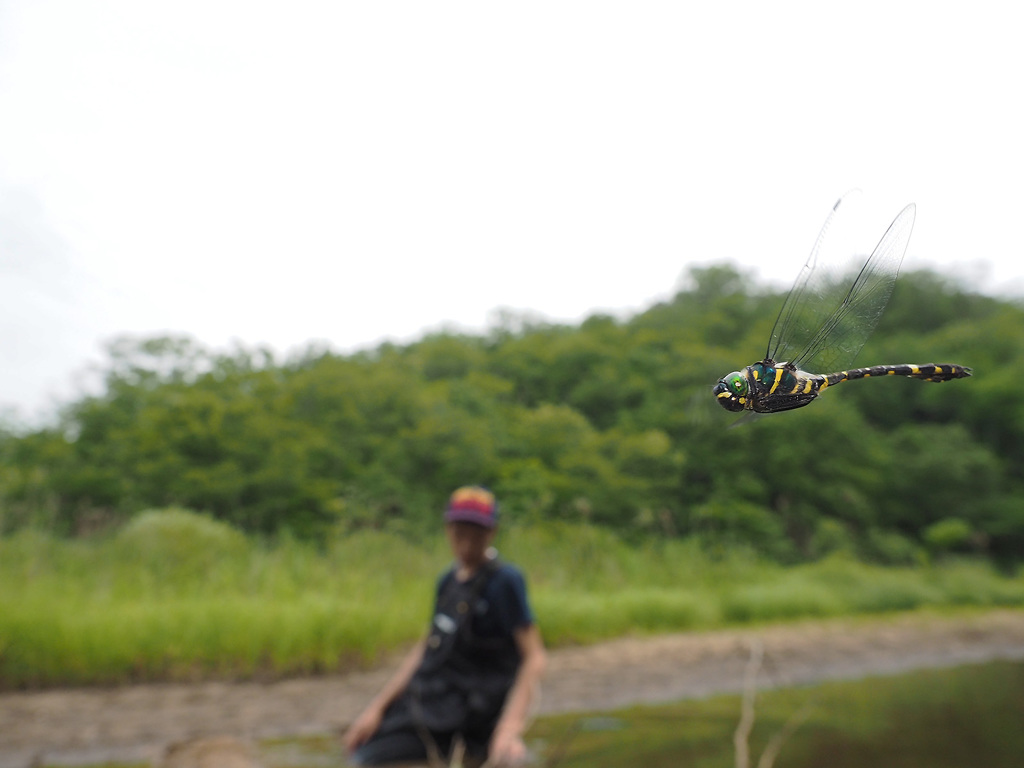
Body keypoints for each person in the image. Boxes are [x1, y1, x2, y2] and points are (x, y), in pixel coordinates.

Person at [344, 486, 546, 767]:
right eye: (459, 534)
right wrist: (377, 709)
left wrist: (509, 727)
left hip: (479, 714)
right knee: (362, 756)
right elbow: (426, 647)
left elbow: (534, 656)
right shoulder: (447, 583)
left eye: (476, 536)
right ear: (448, 529)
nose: (466, 545)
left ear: (492, 533)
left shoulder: (506, 582)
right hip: (433, 705)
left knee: (511, 760)